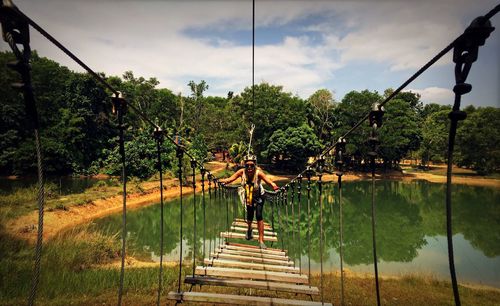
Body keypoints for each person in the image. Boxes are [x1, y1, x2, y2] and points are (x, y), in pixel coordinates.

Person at [220, 154, 279, 249]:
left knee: (259, 215)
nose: (250, 167)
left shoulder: (258, 173)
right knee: (250, 216)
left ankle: (261, 241)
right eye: (247, 165)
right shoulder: (241, 172)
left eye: (252, 165)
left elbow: (268, 181)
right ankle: (249, 229)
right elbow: (230, 179)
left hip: (260, 195)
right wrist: (218, 181)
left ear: (255, 165)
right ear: (244, 165)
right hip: (249, 196)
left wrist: (274, 186)